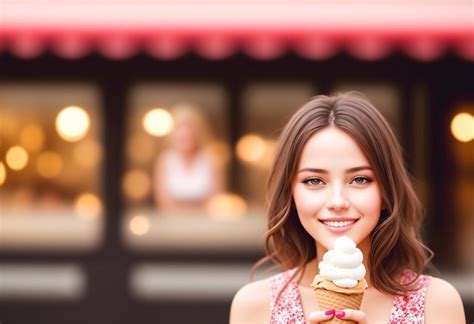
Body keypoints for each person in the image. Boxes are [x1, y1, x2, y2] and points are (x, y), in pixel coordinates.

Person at [229, 92, 465, 323]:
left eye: (360, 179)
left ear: (386, 191)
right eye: (314, 181)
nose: (338, 202)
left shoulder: (436, 303)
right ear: (291, 194)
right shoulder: (256, 306)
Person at [153, 103, 225, 211]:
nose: (185, 135)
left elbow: (216, 201)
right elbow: (163, 202)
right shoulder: (165, 160)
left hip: (204, 223)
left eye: (190, 131)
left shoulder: (212, 160)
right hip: (172, 222)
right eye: (180, 130)